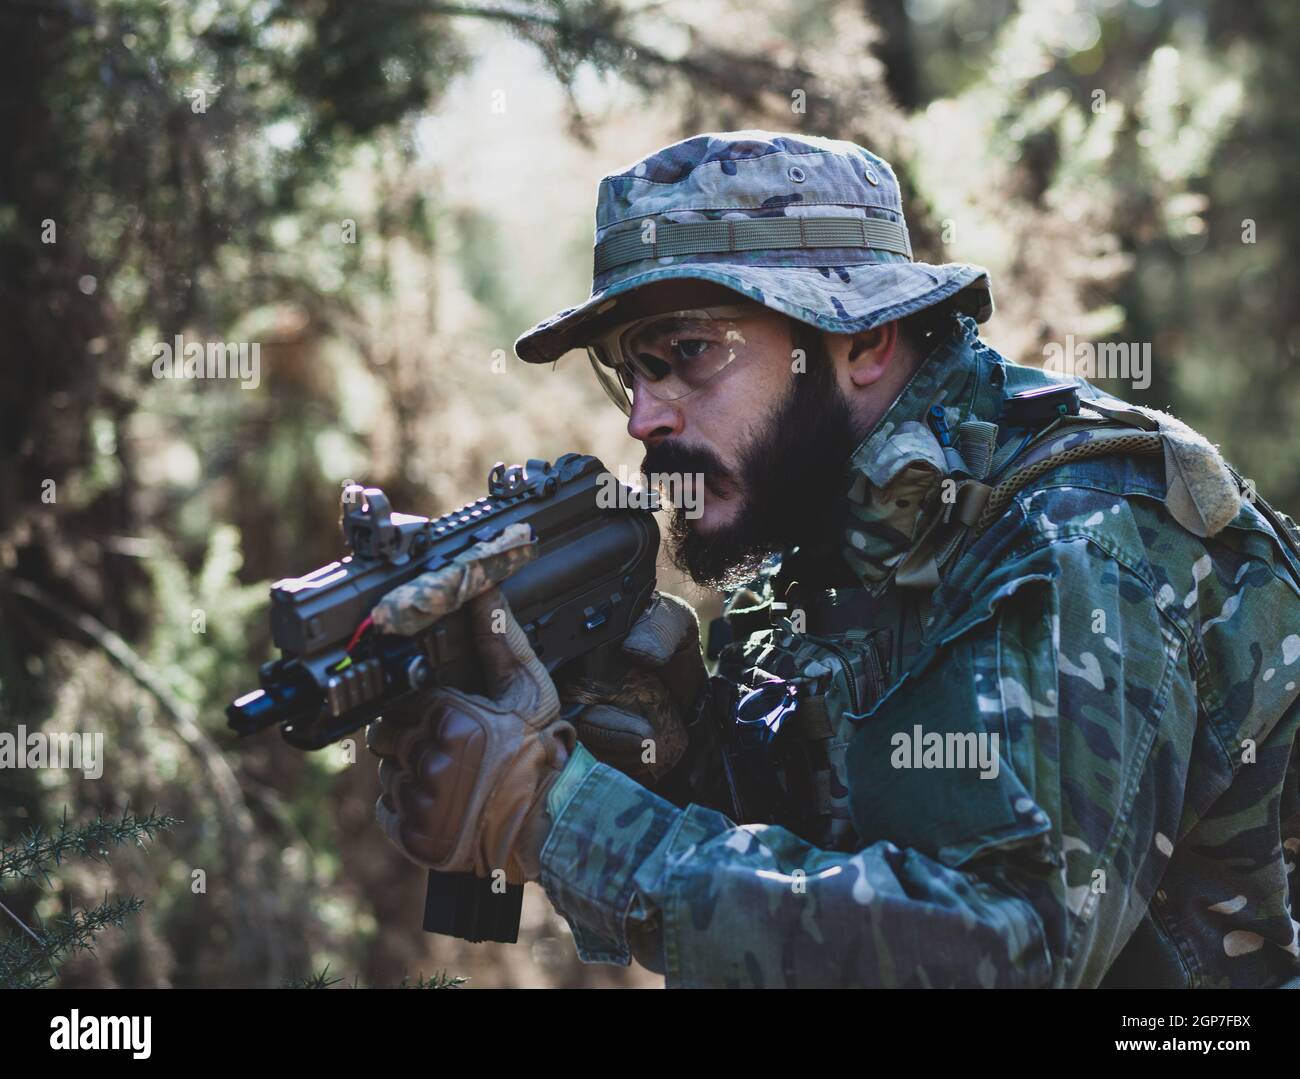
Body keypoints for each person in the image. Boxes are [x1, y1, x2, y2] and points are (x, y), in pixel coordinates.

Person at [366, 131, 1300, 988]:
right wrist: (670, 753)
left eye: (688, 352)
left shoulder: (1078, 538)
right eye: (630, 369)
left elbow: (998, 951)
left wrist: (556, 817)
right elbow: (833, 850)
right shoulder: (833, 531)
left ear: (860, 338)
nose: (643, 417)